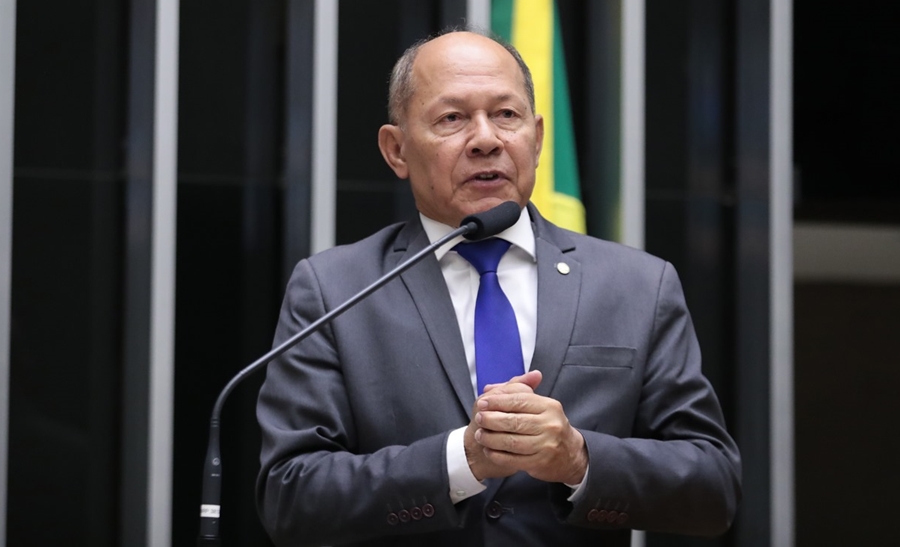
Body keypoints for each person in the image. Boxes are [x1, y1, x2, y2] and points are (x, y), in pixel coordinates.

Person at [256, 29, 741, 547]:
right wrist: (460, 460)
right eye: (452, 118)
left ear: (537, 137)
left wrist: (579, 458)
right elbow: (289, 497)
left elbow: (714, 487)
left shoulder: (637, 285)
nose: (486, 139)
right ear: (396, 150)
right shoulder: (335, 291)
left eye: (506, 115)